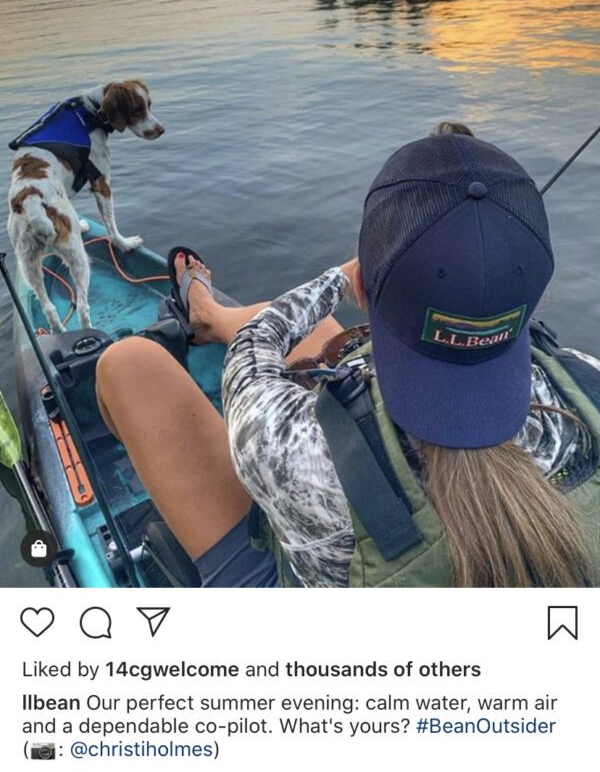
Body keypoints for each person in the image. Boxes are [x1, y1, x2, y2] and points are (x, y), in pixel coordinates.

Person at [95, 122, 600, 588]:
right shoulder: (585, 378)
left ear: (361, 284)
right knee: (330, 341)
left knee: (129, 366)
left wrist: (339, 277)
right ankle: (209, 317)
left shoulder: (288, 444)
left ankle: (202, 312)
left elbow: (254, 346)